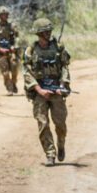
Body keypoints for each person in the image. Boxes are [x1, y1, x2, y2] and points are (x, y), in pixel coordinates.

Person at [23, 18, 71, 167]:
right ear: (39, 33)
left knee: (60, 124)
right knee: (43, 124)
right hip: (40, 93)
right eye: (45, 31)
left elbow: (65, 67)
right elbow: (26, 72)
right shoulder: (31, 50)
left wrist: (62, 85)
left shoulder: (58, 47)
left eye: (49, 30)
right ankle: (50, 154)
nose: (48, 33)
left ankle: (61, 144)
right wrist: (39, 90)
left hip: (56, 91)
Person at [0, 5, 20, 94]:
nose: (4, 16)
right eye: (2, 14)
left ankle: (13, 83)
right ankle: (9, 88)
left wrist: (15, 46)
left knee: (14, 68)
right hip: (1, 53)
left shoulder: (12, 26)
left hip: (11, 51)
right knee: (5, 72)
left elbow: (17, 37)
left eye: (6, 14)